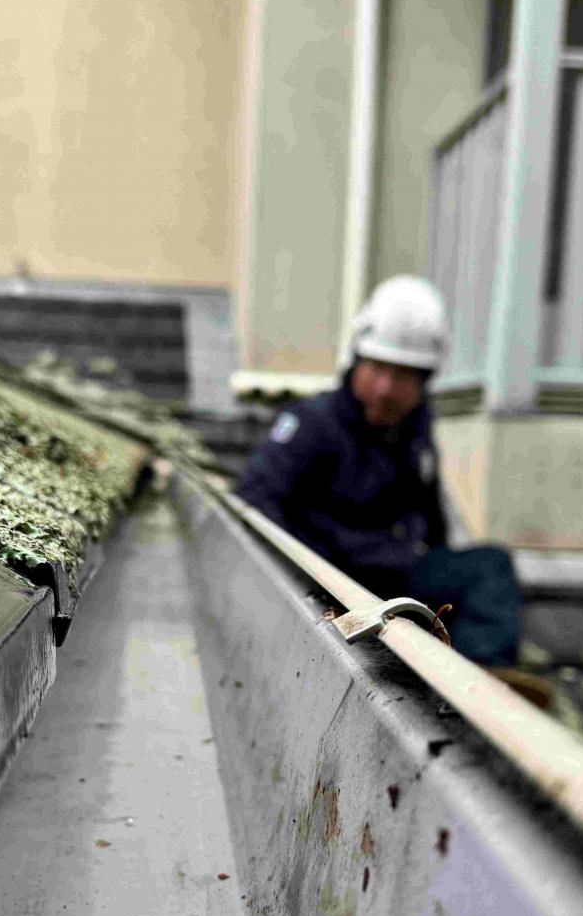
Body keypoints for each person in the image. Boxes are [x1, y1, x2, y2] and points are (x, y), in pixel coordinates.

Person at [235, 275, 550, 705]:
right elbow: (254, 500)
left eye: (402, 375)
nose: (386, 387)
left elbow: (432, 515)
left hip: (398, 576)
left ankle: (481, 685)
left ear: (423, 382)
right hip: (334, 581)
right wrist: (312, 577)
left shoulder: (416, 431)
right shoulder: (313, 424)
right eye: (378, 369)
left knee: (489, 566)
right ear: (356, 362)